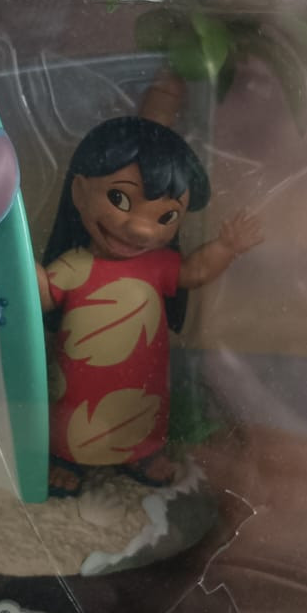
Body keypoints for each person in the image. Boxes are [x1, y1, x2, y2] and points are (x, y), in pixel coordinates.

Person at [37, 116, 262, 496]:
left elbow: (194, 272)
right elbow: (44, 295)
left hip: (140, 381)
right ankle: (66, 459)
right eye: (120, 199)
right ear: (79, 191)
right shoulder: (75, 265)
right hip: (80, 381)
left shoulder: (158, 265)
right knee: (73, 418)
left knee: (140, 415)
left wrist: (226, 248)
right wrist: (21, 265)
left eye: (165, 216)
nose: (141, 229)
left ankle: (138, 454)